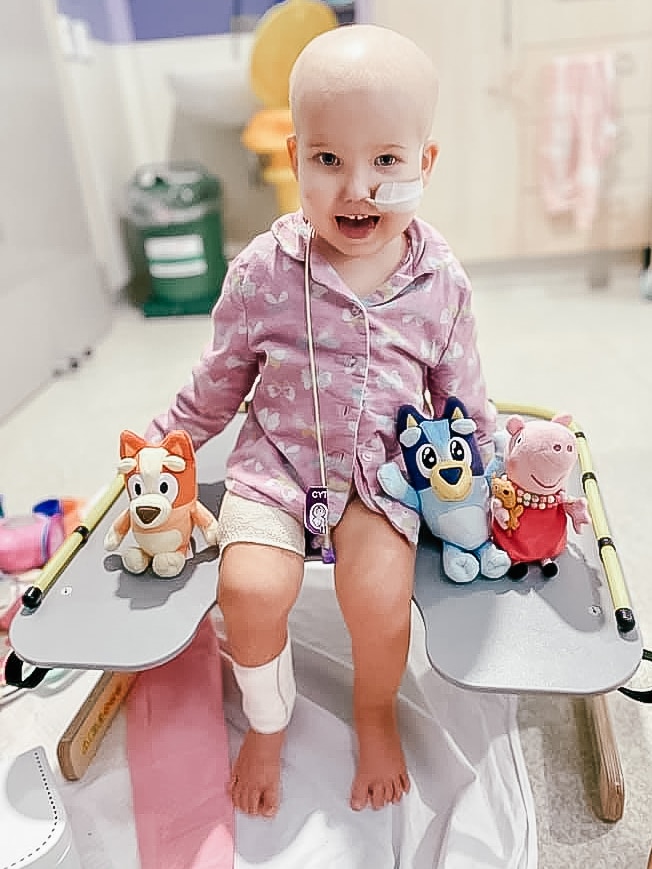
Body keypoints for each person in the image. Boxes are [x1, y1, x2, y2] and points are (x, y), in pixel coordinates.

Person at [146, 23, 496, 818]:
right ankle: (268, 719)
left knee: (378, 592)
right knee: (247, 586)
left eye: (386, 163)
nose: (357, 188)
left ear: (423, 165)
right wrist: (163, 443)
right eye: (329, 160)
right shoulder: (264, 273)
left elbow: (462, 389)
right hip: (279, 464)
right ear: (297, 157)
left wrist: (497, 464)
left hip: (381, 471)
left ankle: (374, 714)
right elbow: (220, 378)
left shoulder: (439, 279)